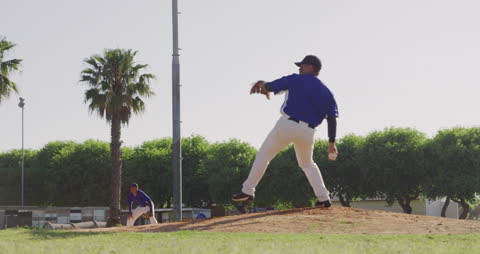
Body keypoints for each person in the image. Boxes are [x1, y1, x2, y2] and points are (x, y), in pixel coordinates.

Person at [232, 55, 338, 208]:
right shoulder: (327, 92)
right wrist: (332, 142)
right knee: (307, 164)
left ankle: (247, 191)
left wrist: (262, 84)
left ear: (311, 67)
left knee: (264, 154)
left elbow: (270, 86)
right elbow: (332, 118)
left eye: (302, 65)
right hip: (308, 132)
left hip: (287, 125)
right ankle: (323, 198)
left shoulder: (295, 79)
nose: (299, 68)